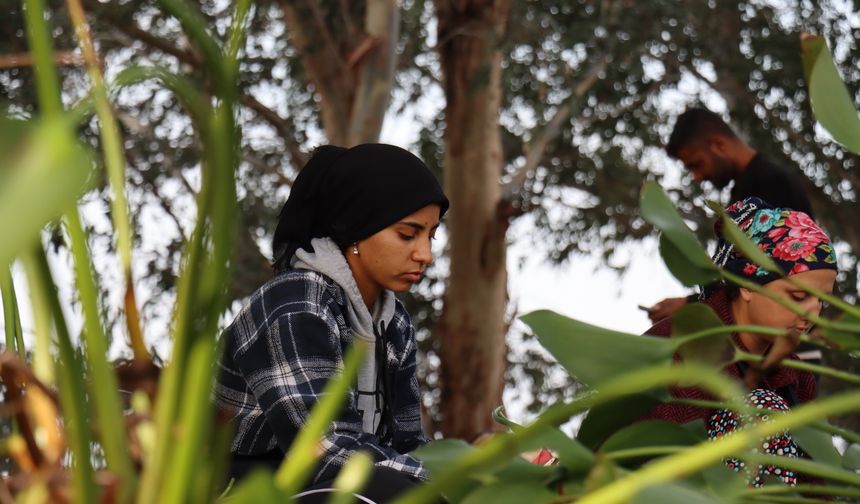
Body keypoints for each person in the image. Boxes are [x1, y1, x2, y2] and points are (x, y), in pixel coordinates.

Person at [214, 143, 449, 502]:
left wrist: (491, 471)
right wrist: (455, 477)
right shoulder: (295, 302)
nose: (425, 255)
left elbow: (408, 446)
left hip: (337, 485)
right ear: (357, 227)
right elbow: (321, 449)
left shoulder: (394, 323)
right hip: (243, 486)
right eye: (407, 234)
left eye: (430, 235)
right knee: (393, 490)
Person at [640, 197, 837, 487]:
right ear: (747, 285)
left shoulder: (797, 373)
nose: (812, 314)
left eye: (822, 301)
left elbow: (815, 481)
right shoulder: (681, 343)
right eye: (798, 297)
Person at [647, 107, 815, 324]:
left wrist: (691, 306)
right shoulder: (748, 191)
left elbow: (760, 277)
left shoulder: (770, 185)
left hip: (784, 339)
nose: (697, 177)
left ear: (718, 145)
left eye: (696, 164)